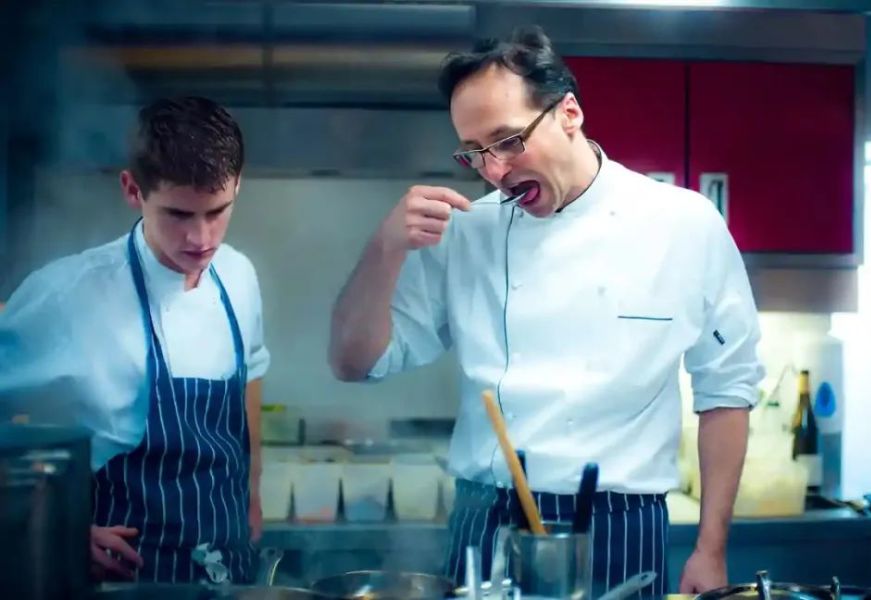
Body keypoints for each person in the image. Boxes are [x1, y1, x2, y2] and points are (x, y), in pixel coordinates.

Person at [328, 26, 763, 596]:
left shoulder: (683, 223)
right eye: (475, 153)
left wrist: (711, 549)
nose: (495, 172)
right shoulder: (468, 230)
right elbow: (352, 362)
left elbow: (725, 392)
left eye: (508, 141)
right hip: (485, 519)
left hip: (618, 526)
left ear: (569, 113)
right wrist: (384, 247)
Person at [0, 96, 270, 584]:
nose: (201, 238)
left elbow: (251, 372)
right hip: (125, 578)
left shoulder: (239, 276)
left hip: (228, 568)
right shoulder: (69, 295)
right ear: (132, 189)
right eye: (178, 214)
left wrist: (252, 492)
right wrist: (58, 528)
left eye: (218, 210)